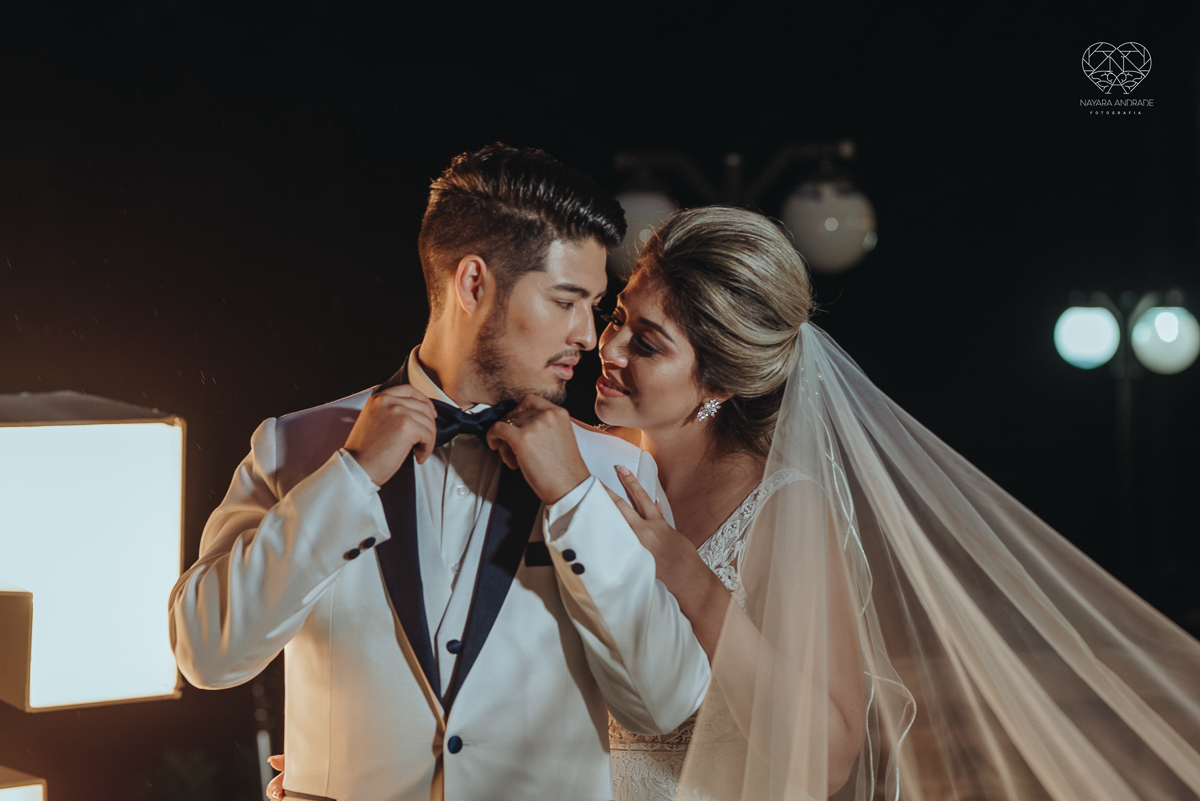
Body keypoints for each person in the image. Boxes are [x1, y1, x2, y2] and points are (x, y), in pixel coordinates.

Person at [590, 206, 1200, 801]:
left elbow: (828, 758)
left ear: (720, 381)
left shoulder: (779, 506)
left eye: (646, 345)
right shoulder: (591, 465)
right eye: (617, 316)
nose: (608, 347)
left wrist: (690, 578)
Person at [169, 145, 711, 801]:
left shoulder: (614, 468)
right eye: (567, 301)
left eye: (593, 305)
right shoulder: (295, 444)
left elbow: (666, 701)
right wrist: (350, 477)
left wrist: (574, 499)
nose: (588, 336)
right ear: (473, 283)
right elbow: (206, 655)